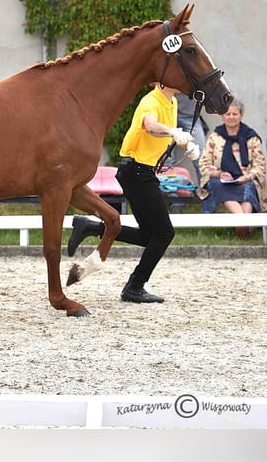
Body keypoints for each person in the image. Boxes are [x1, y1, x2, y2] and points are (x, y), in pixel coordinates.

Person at [67, 83, 201, 304]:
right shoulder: (151, 100)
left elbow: (157, 137)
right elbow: (150, 125)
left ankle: (90, 227)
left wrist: (184, 144)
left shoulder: (172, 101)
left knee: (150, 236)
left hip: (141, 172)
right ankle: (135, 286)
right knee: (164, 233)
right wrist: (172, 131)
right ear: (163, 82)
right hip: (137, 172)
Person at [198, 99, 266, 237]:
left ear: (241, 116)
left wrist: (247, 177)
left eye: (235, 114)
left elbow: (260, 165)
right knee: (220, 187)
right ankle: (243, 224)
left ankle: (242, 227)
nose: (231, 117)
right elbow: (204, 163)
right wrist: (219, 173)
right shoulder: (215, 137)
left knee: (249, 187)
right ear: (222, 116)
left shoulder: (251, 137)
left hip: (245, 178)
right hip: (221, 180)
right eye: (228, 114)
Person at [171, 92, 207, 183]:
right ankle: (170, 194)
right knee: (167, 161)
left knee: (201, 159)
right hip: (167, 116)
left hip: (191, 116)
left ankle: (205, 194)